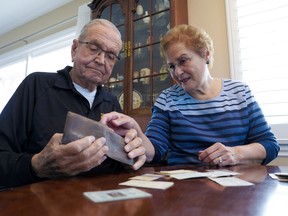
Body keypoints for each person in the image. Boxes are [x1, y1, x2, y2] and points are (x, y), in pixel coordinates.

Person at [100, 24, 280, 167]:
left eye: (183, 61)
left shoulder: (241, 93)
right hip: (184, 192)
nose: (177, 72)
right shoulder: (167, 100)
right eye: (171, 66)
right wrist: (136, 131)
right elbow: (155, 150)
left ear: (206, 54)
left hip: (237, 191)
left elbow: (269, 145)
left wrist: (236, 153)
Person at [0, 19, 146, 189]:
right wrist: (36, 166)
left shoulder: (111, 102)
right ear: (74, 49)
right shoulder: (36, 85)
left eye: (110, 56)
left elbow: (121, 161)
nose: (101, 60)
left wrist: (132, 156)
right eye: (94, 48)